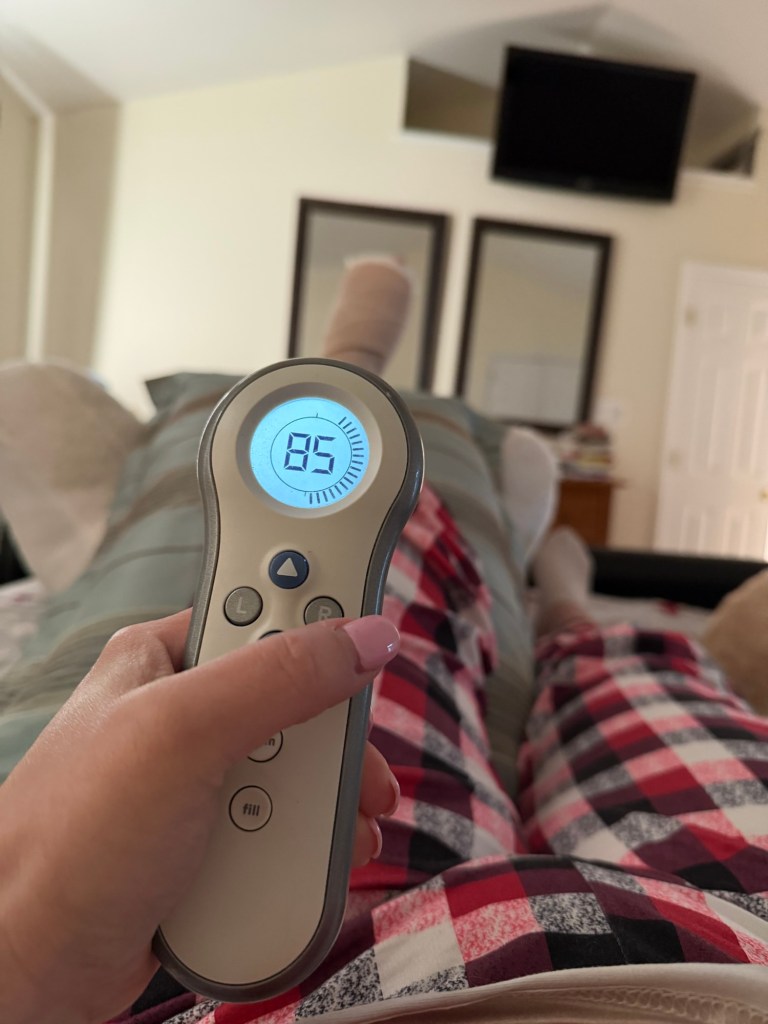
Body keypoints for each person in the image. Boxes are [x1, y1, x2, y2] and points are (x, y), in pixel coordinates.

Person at [1, 261, 767, 1023]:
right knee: (636, 696)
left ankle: (372, 424)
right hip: (717, 949)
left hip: (354, 954)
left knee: (349, 614)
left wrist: (25, 955)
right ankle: (557, 605)